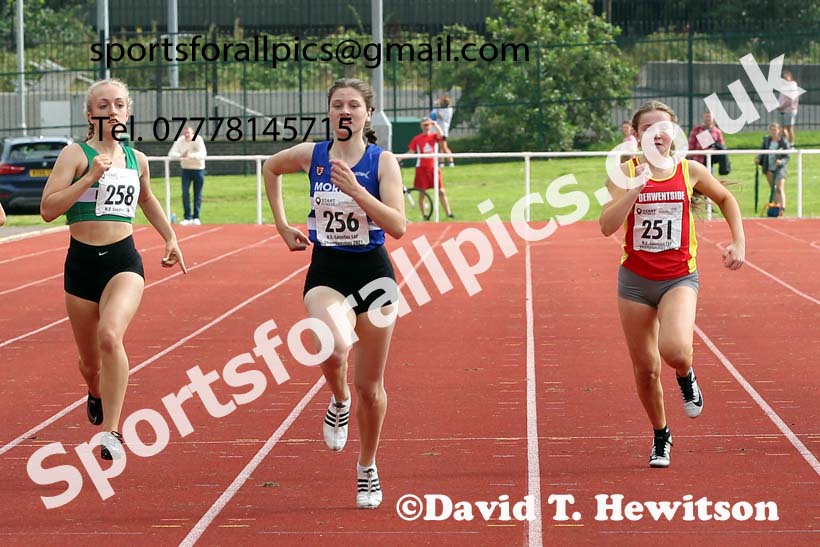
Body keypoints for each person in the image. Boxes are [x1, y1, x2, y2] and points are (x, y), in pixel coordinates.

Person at [262, 78, 406, 509]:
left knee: (371, 387)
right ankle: (337, 399)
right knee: (335, 345)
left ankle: (367, 467)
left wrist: (357, 191)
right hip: (327, 270)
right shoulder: (314, 155)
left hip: (375, 276)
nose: (346, 111)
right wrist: (281, 225)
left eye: (354, 105)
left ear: (366, 115)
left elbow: (398, 226)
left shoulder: (383, 162)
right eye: (338, 104)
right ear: (329, 112)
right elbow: (270, 167)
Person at [40, 79, 187, 461]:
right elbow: (48, 209)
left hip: (124, 262)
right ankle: (95, 391)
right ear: (90, 114)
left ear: (128, 112)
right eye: (103, 105)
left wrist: (170, 237)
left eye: (119, 104)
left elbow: (148, 198)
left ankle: (112, 432)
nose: (112, 111)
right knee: (91, 364)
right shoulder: (75, 155)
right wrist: (89, 177)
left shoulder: (137, 159)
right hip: (81, 266)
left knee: (110, 336)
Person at [599, 100, 745, 468]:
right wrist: (635, 188)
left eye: (663, 128)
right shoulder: (622, 173)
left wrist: (738, 241)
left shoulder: (689, 170)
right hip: (635, 282)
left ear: (673, 133)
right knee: (646, 370)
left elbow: (726, 198)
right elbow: (606, 225)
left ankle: (685, 373)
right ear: (636, 135)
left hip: (678, 277)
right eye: (648, 129)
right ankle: (661, 435)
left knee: (676, 350)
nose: (657, 135)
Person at [407, 118, 454, 219]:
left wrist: (435, 124)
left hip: (434, 168)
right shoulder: (417, 139)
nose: (427, 127)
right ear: (421, 126)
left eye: (428, 125)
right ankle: (425, 215)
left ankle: (449, 213)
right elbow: (411, 152)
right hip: (421, 169)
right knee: (422, 192)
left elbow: (441, 136)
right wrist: (399, 158)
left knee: (441, 191)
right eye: (424, 125)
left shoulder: (434, 136)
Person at [168, 126, 207, 225]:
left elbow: (203, 153)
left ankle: (196, 217)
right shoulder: (180, 140)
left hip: (199, 170)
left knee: (198, 194)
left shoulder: (198, 139)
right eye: (185, 133)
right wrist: (181, 156)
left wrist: (191, 156)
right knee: (185, 193)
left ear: (193, 133)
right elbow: (171, 154)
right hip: (186, 170)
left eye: (188, 133)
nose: (187, 135)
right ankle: (187, 217)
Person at [755, 122, 791, 215]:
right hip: (769, 167)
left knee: (779, 188)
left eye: (775, 129)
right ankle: (776, 207)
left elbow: (787, 156)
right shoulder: (767, 140)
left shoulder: (783, 142)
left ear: (779, 130)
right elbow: (762, 151)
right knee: (773, 189)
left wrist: (781, 162)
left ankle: (782, 208)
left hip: (779, 169)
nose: (773, 131)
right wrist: (758, 158)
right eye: (772, 129)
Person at [431, 95, 455, 167]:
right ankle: (441, 162)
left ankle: (451, 161)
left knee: (444, 147)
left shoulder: (448, 109)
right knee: (440, 148)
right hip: (439, 130)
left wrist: (436, 109)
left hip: (443, 131)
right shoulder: (442, 109)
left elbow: (440, 116)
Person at [777, 70, 799, 145]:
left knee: (789, 128)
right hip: (782, 110)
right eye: (783, 78)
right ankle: (785, 144)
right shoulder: (785, 87)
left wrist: (781, 107)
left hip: (789, 110)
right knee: (782, 128)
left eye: (786, 77)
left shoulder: (792, 86)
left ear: (790, 77)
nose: (784, 79)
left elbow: (790, 101)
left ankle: (791, 144)